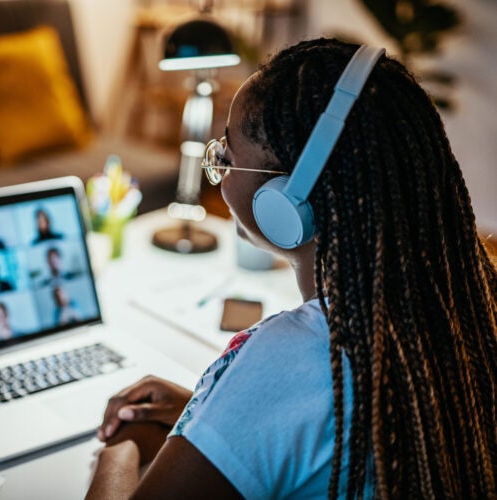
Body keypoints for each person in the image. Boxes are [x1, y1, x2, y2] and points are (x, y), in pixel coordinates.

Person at [86, 39, 497, 499]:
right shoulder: (466, 311)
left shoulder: (294, 354)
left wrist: (119, 450)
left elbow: (296, 390)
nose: (218, 165)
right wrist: (216, 423)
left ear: (288, 199)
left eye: (228, 155)